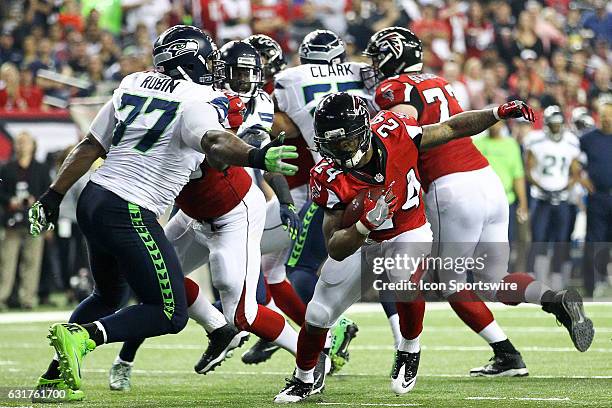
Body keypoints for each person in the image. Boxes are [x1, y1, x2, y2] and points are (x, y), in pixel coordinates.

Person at [27, 25, 297, 402]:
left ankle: (55, 375)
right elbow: (215, 141)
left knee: (108, 295)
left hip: (93, 198)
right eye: (208, 59)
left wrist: (52, 195)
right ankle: (83, 337)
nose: (214, 67)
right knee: (168, 314)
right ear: (191, 62)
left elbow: (90, 146)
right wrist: (256, 156)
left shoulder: (132, 83)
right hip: (131, 211)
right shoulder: (199, 98)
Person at [273, 92, 537, 403]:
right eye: (330, 144)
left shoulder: (394, 131)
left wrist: (496, 111)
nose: (338, 151)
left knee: (400, 278)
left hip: (407, 231)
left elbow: (451, 128)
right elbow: (335, 246)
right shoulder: (328, 176)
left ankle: (409, 347)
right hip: (364, 240)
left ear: (364, 131)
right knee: (317, 315)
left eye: (344, 142)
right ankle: (305, 379)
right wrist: (363, 225)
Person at [366, 27, 593, 379]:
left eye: (377, 56)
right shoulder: (439, 81)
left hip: (450, 186)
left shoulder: (395, 88)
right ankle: (554, 301)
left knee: (450, 280)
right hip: (486, 180)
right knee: (492, 279)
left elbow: (405, 133)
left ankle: (506, 353)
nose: (374, 64)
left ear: (391, 56)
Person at [269, 29, 370, 371]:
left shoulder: (288, 79)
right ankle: (405, 346)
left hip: (334, 182)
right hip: (382, 181)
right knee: (383, 268)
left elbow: (282, 127)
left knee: (298, 269)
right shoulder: (363, 74)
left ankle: (323, 343)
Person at [524, 106, 584, 289]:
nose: (556, 128)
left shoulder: (571, 142)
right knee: (539, 239)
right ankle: (536, 279)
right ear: (546, 124)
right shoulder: (534, 141)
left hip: (563, 198)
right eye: (553, 125)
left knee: (561, 241)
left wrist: (565, 187)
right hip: (541, 198)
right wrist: (541, 187)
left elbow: (575, 171)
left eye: (558, 125)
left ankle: (558, 281)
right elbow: (528, 169)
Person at [0, 131, 49, 310]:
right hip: (12, 220)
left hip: (34, 221)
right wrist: (9, 201)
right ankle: (2, 297)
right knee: (6, 261)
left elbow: (49, 193)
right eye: (19, 142)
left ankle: (28, 298)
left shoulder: (41, 168)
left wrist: (35, 201)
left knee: (32, 261)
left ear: (33, 145)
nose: (22, 146)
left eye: (26, 142)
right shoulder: (7, 168)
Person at [474, 121, 528, 244]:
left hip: (506, 200)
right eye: (491, 122)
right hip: (481, 201)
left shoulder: (511, 145)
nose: (494, 126)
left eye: (497, 123)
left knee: (505, 241)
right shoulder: (477, 143)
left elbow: (518, 175)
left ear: (503, 125)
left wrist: (523, 203)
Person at [580, 97, 612, 296]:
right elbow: (574, 161)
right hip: (598, 198)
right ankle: (594, 284)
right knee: (595, 242)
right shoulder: (587, 138)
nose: (607, 119)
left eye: (609, 115)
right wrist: (581, 178)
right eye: (603, 116)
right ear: (598, 117)